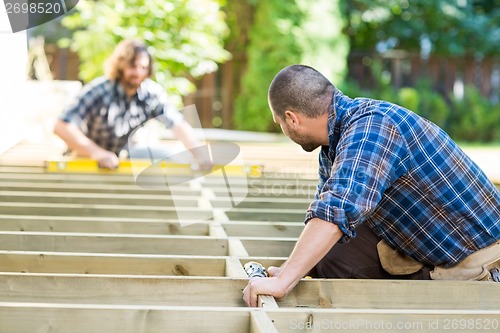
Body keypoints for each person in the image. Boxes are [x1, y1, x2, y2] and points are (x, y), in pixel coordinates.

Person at [243, 64, 500, 307]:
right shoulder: (335, 145)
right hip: (435, 249)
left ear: (292, 119)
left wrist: (282, 283)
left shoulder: (372, 127)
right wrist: (290, 271)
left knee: (333, 240)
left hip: (480, 263)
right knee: (332, 255)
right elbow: (327, 219)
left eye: (281, 125)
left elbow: (338, 208)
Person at [54, 39, 209, 169]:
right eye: (133, 67)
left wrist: (200, 155)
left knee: (168, 159)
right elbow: (61, 126)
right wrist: (98, 153)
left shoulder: (151, 93)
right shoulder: (99, 90)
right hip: (85, 158)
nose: (138, 72)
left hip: (119, 160)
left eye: (143, 67)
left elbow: (177, 124)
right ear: (121, 66)